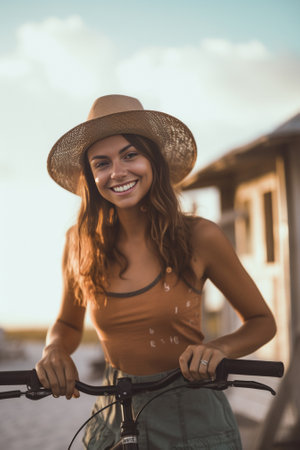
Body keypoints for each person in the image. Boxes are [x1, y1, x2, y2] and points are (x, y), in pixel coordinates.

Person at [36, 94, 276, 449]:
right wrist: (54, 350)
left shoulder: (200, 236)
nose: (117, 172)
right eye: (102, 163)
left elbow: (262, 321)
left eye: (130, 155)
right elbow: (69, 324)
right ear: (91, 176)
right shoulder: (80, 243)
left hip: (194, 418)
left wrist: (219, 348)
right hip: (113, 415)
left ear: (154, 160)